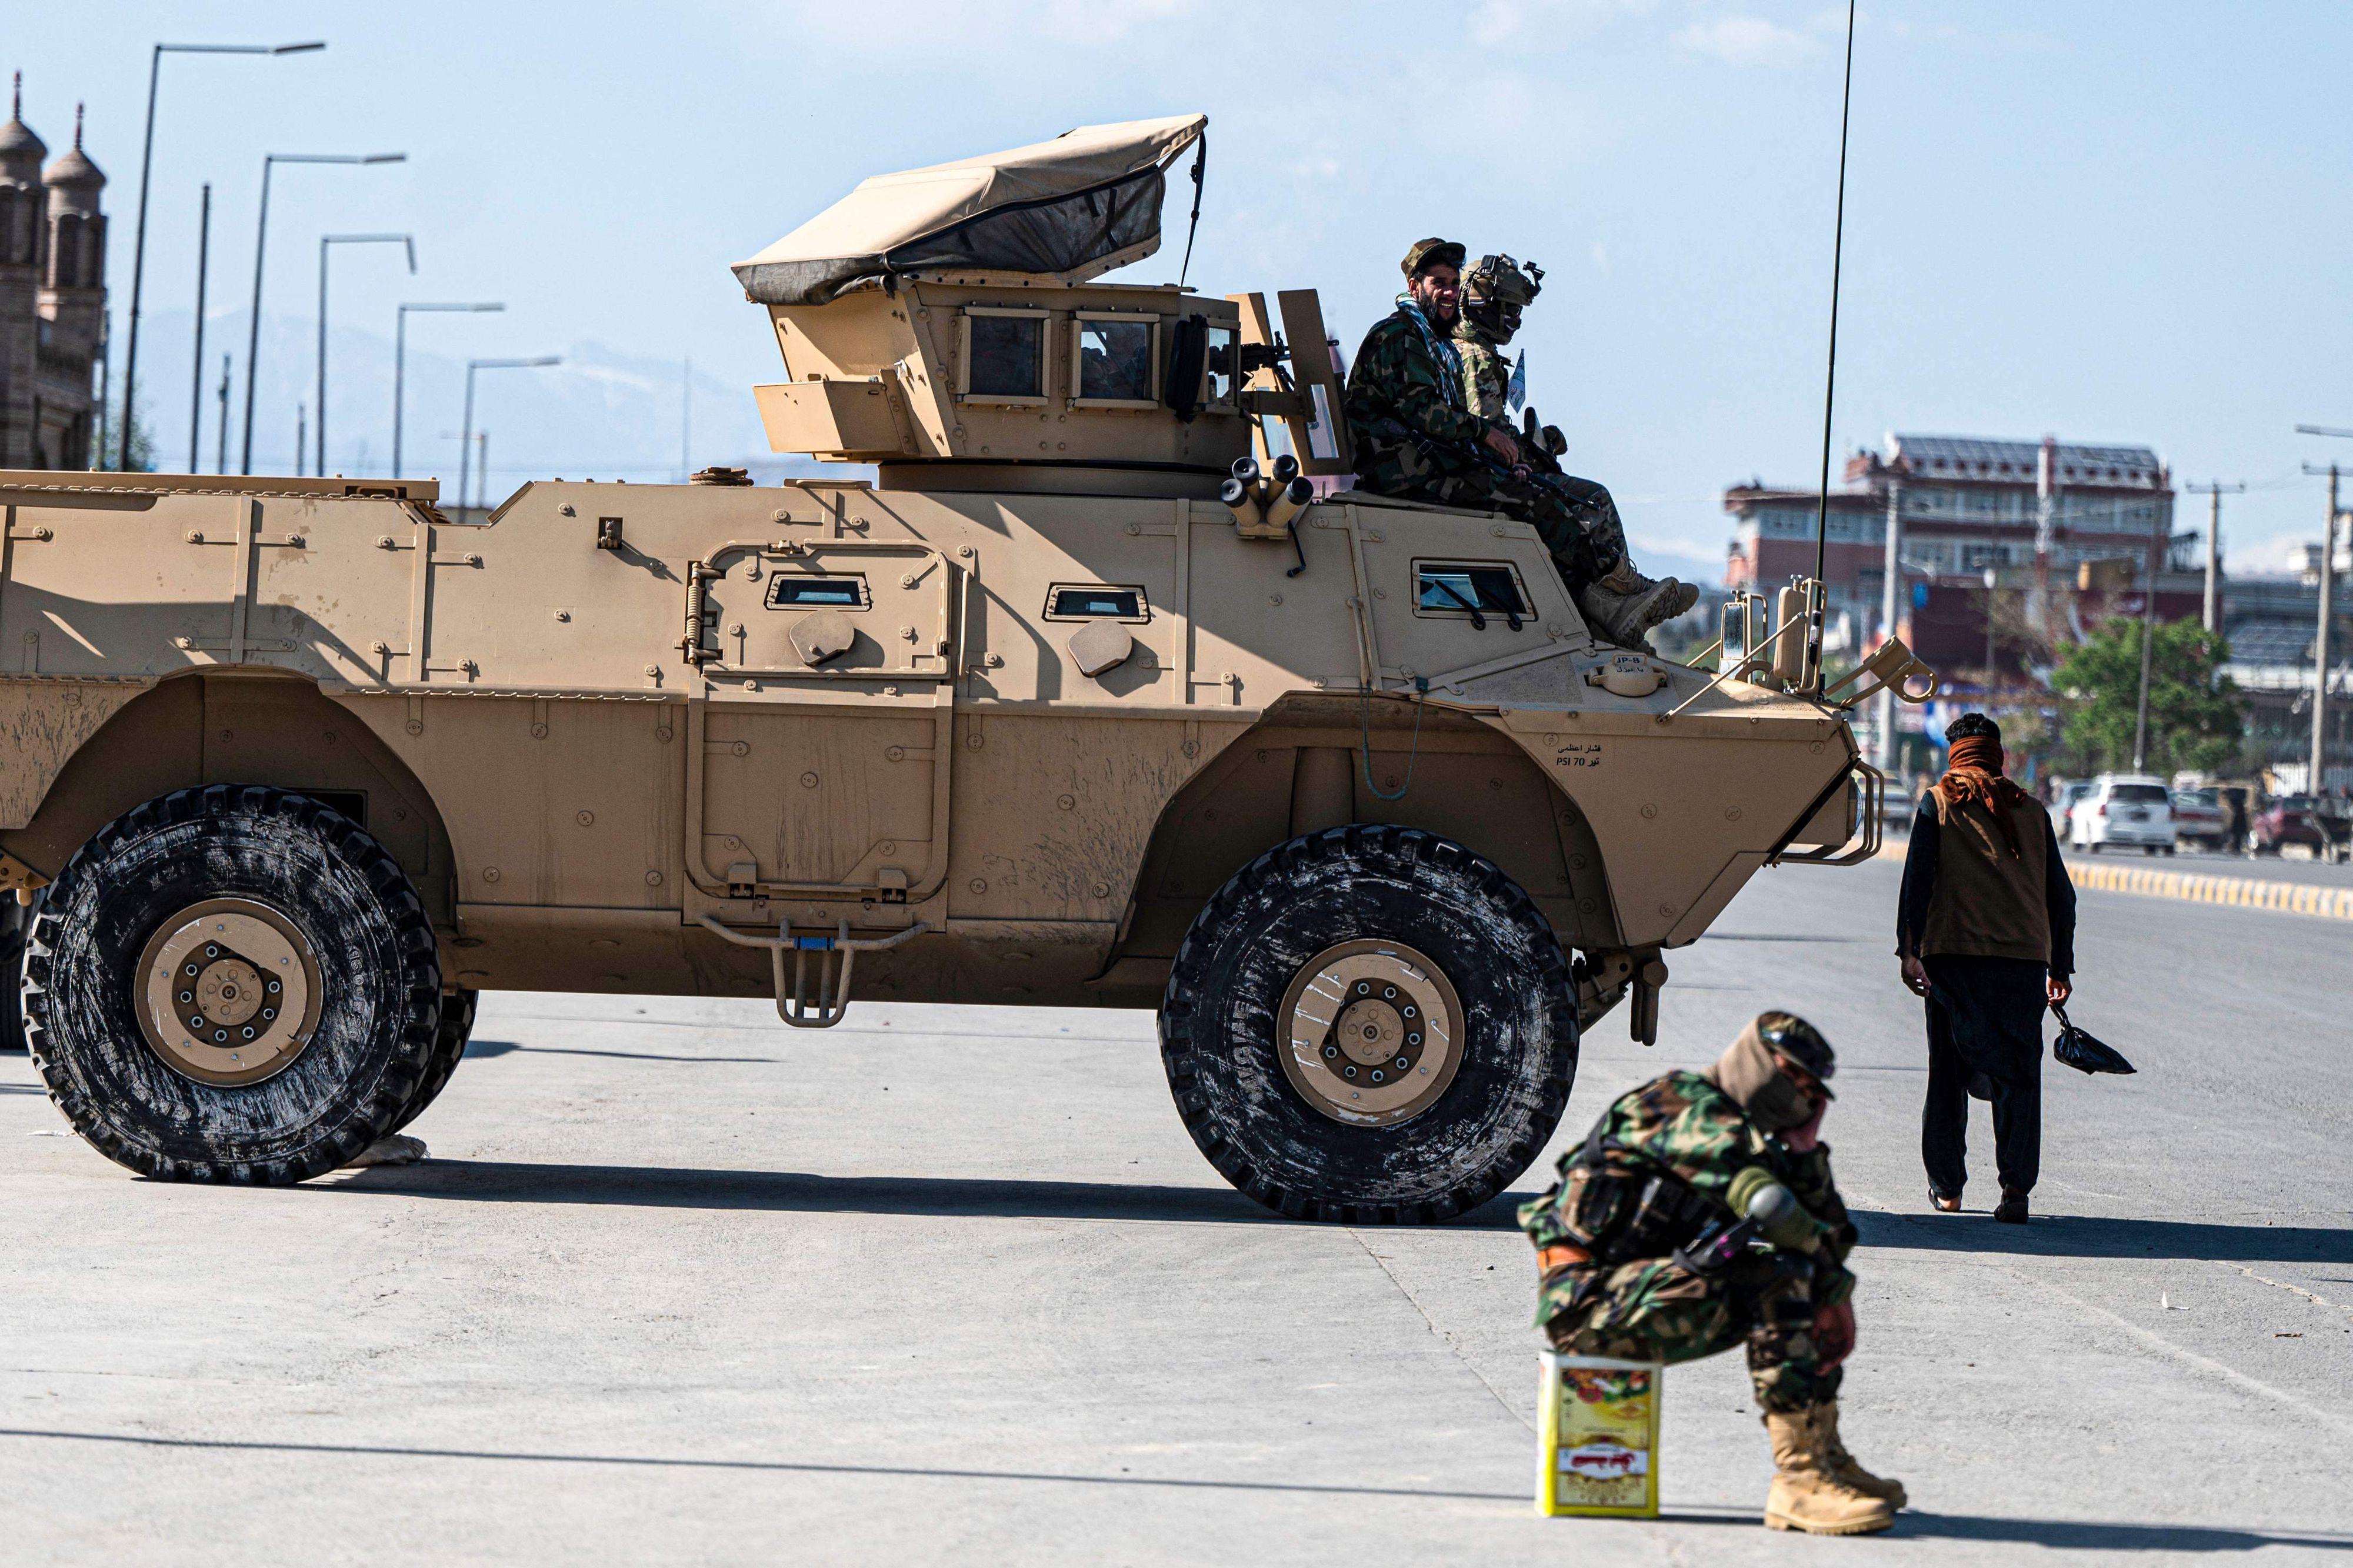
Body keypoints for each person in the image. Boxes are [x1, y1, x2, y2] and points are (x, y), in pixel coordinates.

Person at [1520, 1012, 1903, 1536]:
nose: (1800, 1100)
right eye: (1791, 1080)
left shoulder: (1748, 1131)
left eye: (1811, 1092)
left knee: (1798, 1274)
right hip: (1587, 1310)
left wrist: (1808, 1153)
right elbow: (1772, 1209)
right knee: (1781, 1278)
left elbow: (1827, 1231)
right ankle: (1798, 1480)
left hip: (1639, 1293)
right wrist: (1834, 1292)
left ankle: (1824, 1456)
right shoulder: (1682, 1108)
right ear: (1758, 1063)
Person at [1342, 238, 1696, 648]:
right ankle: (1615, 585)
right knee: (1533, 502)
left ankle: (1606, 605)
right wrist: (1486, 437)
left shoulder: (1431, 342)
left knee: (1533, 493)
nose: (1448, 292)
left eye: (1453, 283)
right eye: (1438, 282)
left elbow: (1442, 422)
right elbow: (1425, 413)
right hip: (1405, 475)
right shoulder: (1401, 336)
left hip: (1427, 466)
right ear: (1413, 283)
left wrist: (1502, 456)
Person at [1896, 712, 2076, 1224]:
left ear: (1955, 756)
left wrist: (1908, 950)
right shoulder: (2033, 811)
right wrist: (2059, 967)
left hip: (1952, 961)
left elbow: (1917, 882)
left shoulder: (1939, 803)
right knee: (2018, 1077)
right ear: (1998, 756)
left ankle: (1947, 1188)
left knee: (1947, 1075)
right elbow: (2061, 896)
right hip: (2022, 964)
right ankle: (2015, 1191)